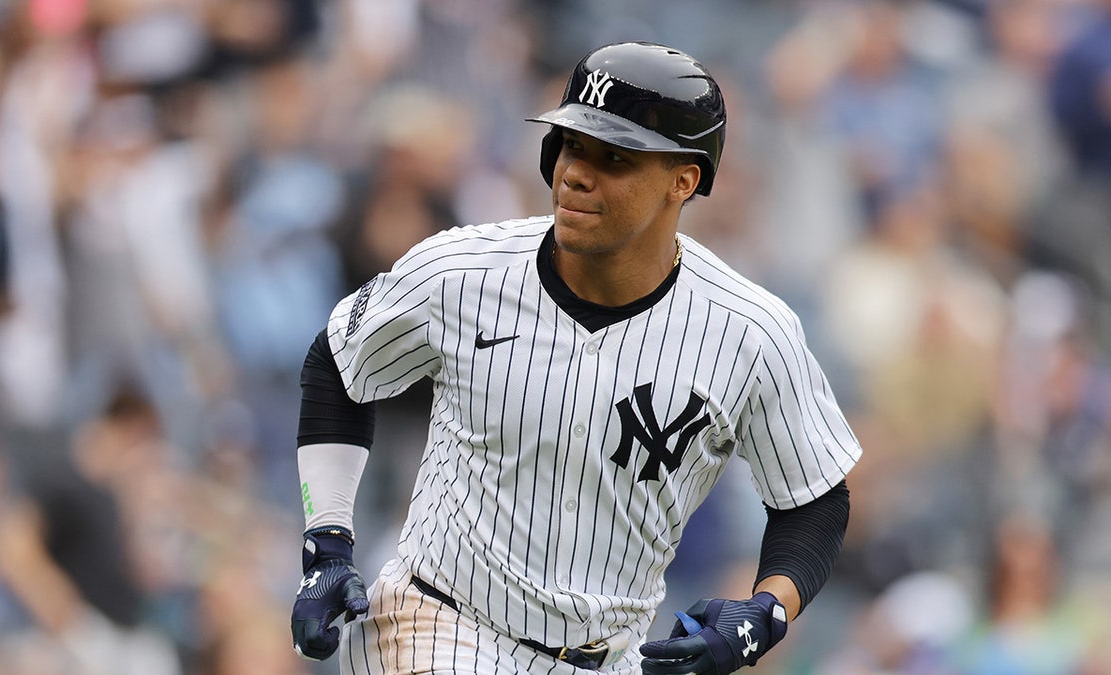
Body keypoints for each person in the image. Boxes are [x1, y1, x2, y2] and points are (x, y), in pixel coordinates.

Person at [290, 42, 861, 674]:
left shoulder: (750, 333)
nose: (574, 173)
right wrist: (328, 542)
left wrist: (766, 612)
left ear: (684, 179)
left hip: (611, 658)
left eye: (612, 157)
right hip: (434, 621)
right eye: (570, 145)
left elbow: (814, 499)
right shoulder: (459, 271)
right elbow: (340, 361)